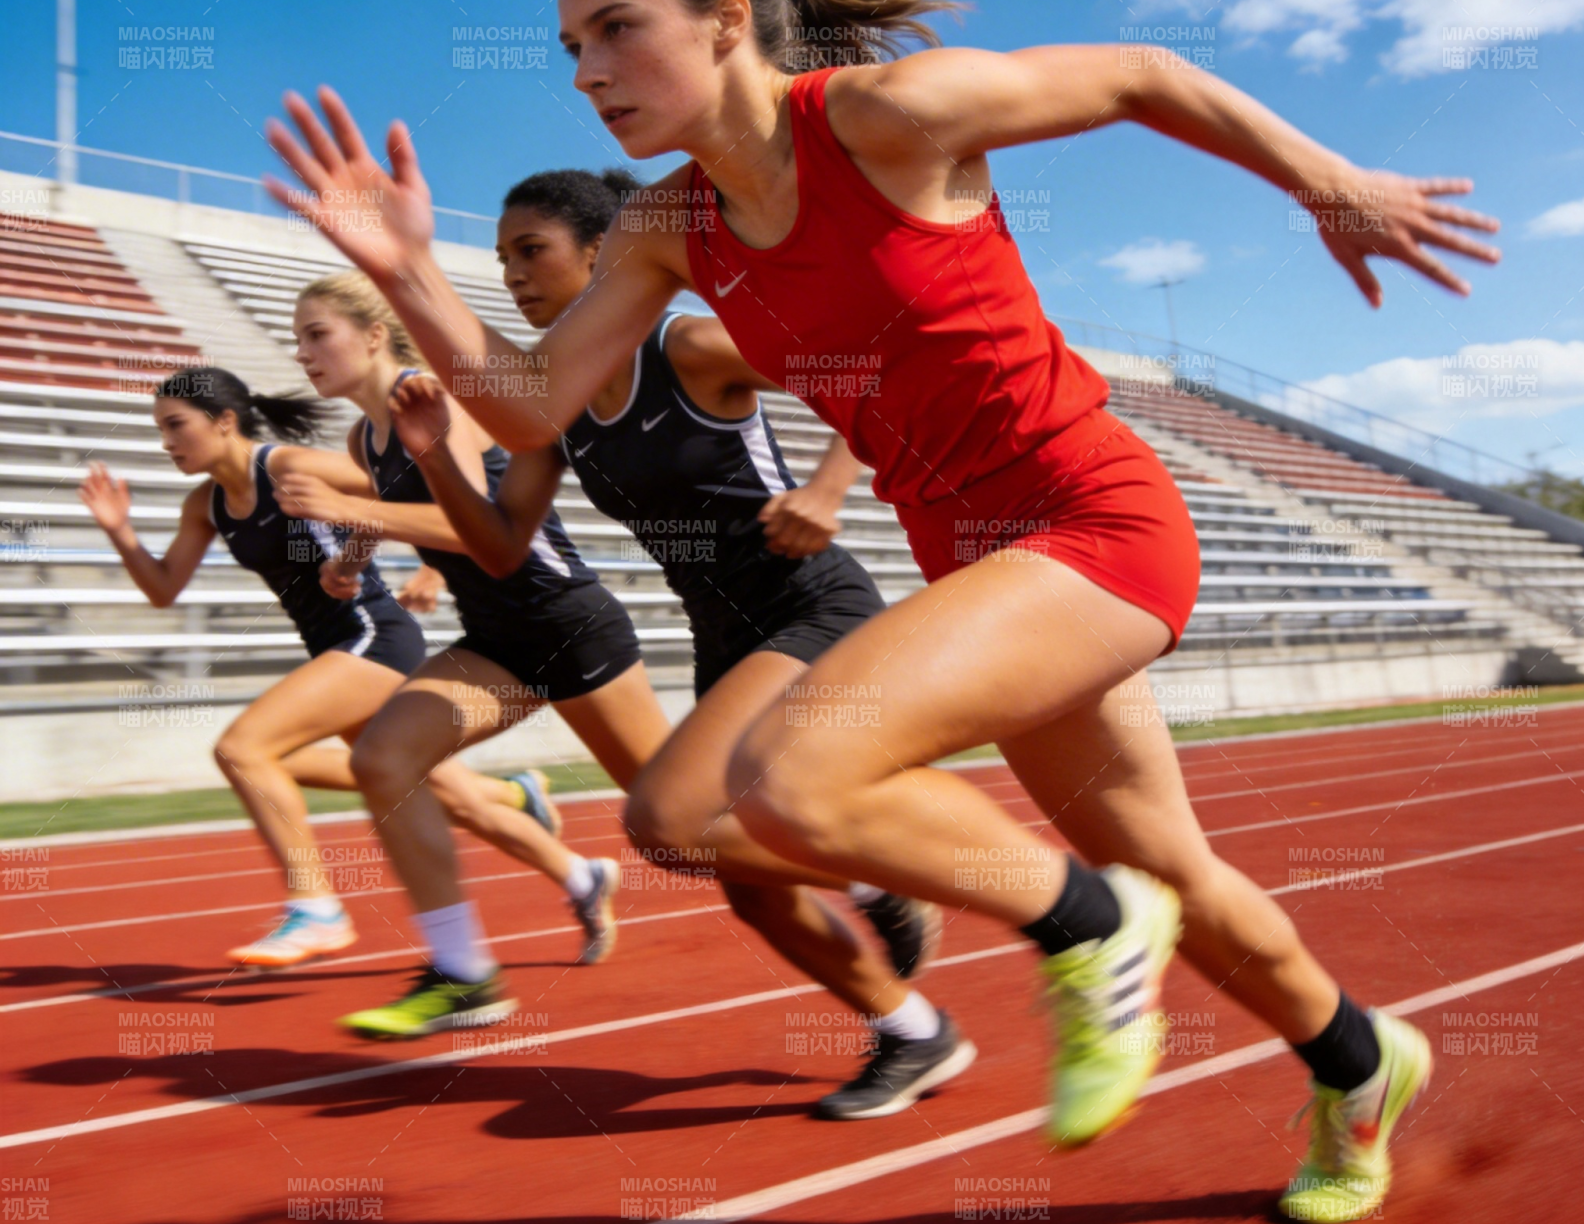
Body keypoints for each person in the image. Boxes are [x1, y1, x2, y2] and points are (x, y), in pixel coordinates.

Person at [261, 0, 1499, 1221]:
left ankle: (1086, 933)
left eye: (616, 30)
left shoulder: (888, 115)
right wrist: (402, 270)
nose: (586, 72)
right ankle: (1362, 1068)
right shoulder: (670, 226)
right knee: (1174, 876)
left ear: (728, 21)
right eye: (570, 46)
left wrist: (1337, 185)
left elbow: (1147, 73)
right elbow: (525, 407)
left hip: (1092, 516)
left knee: (793, 777)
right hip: (972, 560)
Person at [385, 164, 961, 1117]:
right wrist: (432, 459)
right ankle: (913, 1030)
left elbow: (864, 363)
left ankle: (920, 877)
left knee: (669, 814)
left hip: (809, 604)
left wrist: (826, 490)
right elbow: (495, 544)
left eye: (532, 251)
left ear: (606, 254)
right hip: (723, 633)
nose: (514, 276)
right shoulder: (552, 410)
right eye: (501, 259)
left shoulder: (691, 344)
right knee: (728, 870)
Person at [275, 270, 671, 1035]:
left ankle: (858, 882)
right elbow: (401, 509)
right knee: (382, 759)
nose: (303, 353)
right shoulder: (366, 435)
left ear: (374, 335)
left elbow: (485, 538)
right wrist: (353, 555)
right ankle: (464, 974)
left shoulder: (435, 398)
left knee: (682, 825)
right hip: (497, 642)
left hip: (566, 624)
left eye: (317, 334)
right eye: (296, 339)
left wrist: (347, 510)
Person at [79, 366, 546, 970]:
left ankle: (316, 905)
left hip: (373, 635)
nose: (166, 441)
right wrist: (120, 532)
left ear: (224, 422)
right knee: (412, 781)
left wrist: (433, 568)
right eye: (159, 430)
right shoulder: (206, 504)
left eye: (175, 426)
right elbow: (165, 587)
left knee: (243, 750)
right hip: (332, 646)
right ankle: (532, 818)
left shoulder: (289, 466)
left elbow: (408, 487)